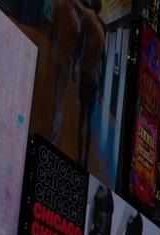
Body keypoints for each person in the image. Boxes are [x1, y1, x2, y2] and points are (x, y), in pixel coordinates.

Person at [49, 0, 80, 146]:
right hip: (67, 59)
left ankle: (48, 126)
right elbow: (76, 48)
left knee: (55, 94)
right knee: (61, 101)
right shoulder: (75, 20)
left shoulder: (59, 6)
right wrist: (74, 69)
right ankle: (54, 141)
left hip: (57, 53)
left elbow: (53, 26)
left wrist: (54, 40)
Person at [77, 0, 104, 168]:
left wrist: (74, 63)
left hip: (85, 75)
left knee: (81, 118)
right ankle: (86, 160)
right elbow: (104, 58)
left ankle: (79, 157)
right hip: (94, 81)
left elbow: (80, 40)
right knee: (89, 120)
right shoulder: (101, 29)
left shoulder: (88, 18)